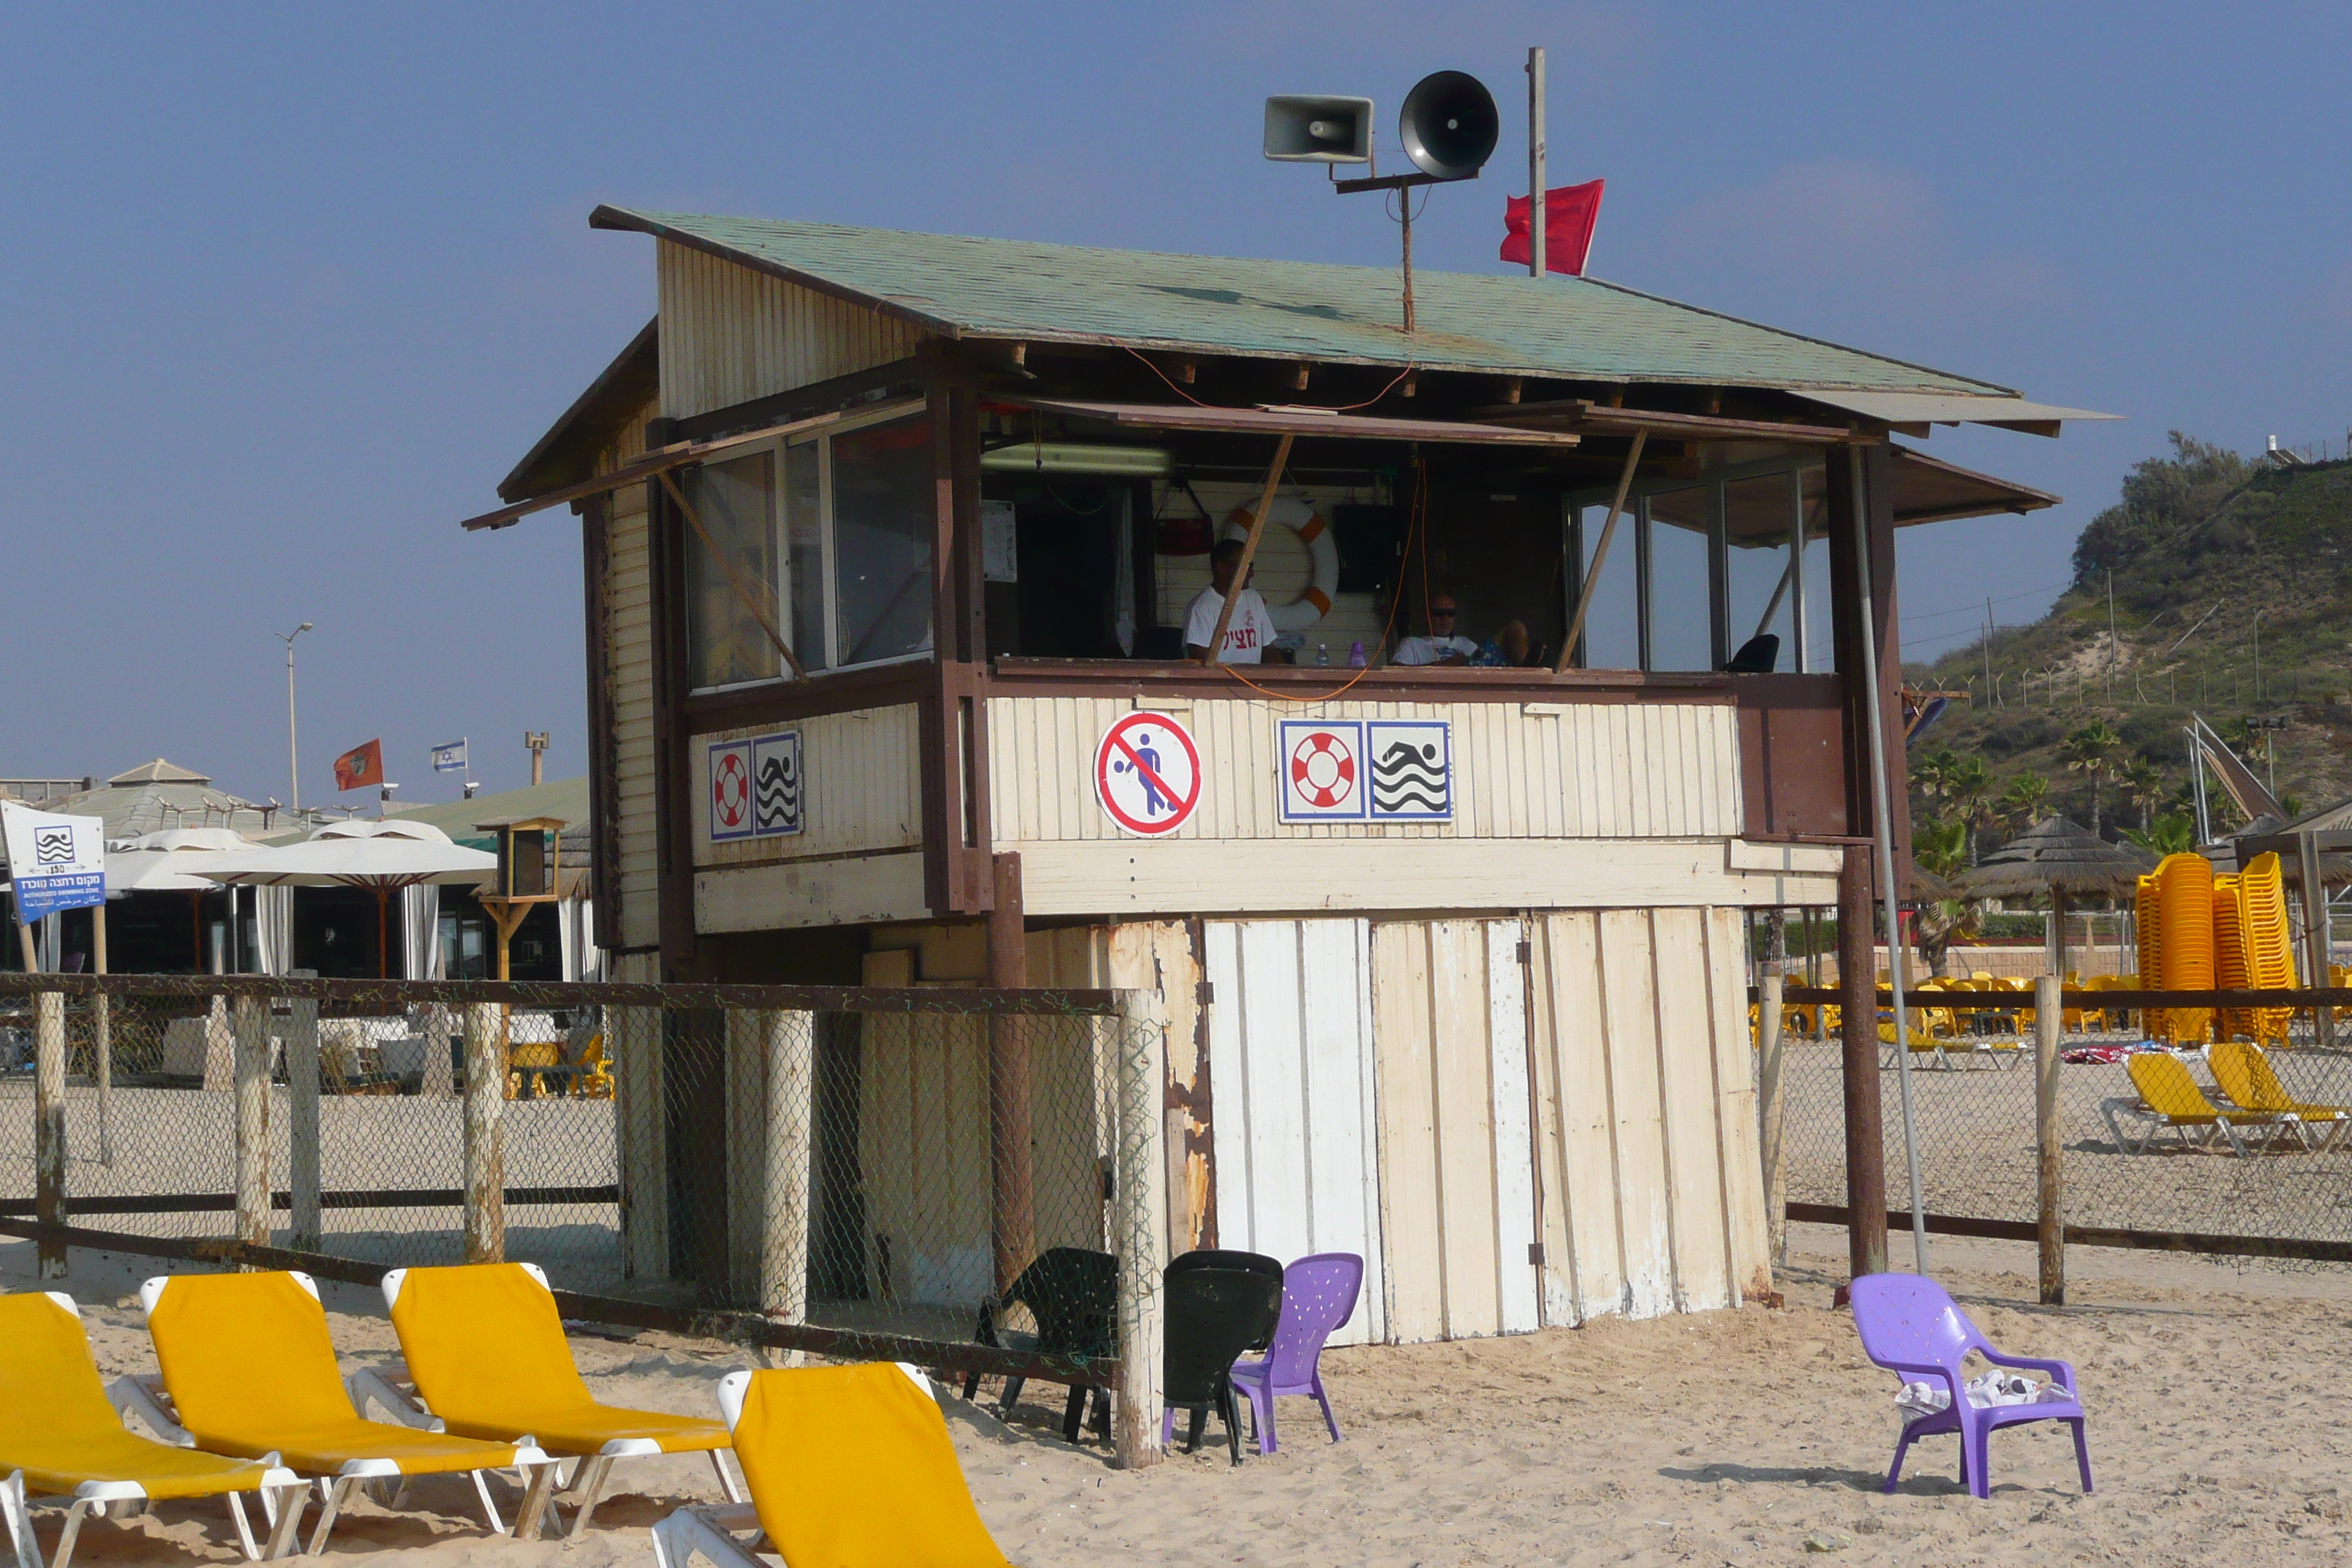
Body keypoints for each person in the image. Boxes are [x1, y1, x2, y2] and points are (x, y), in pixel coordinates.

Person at [1183, 539, 1275, 663]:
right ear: (1221, 568)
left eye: (1251, 566)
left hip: (1253, 682)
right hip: (1222, 682)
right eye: (1244, 566)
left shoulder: (1253, 598)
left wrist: (1287, 678)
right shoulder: (1201, 607)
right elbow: (1200, 661)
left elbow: (1268, 649)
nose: (1251, 573)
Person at [1392, 595, 1480, 666]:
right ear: (1426, 615)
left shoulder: (1466, 644)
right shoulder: (1412, 644)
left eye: (1451, 613)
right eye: (1438, 613)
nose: (1445, 618)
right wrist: (1445, 664)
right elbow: (1396, 672)